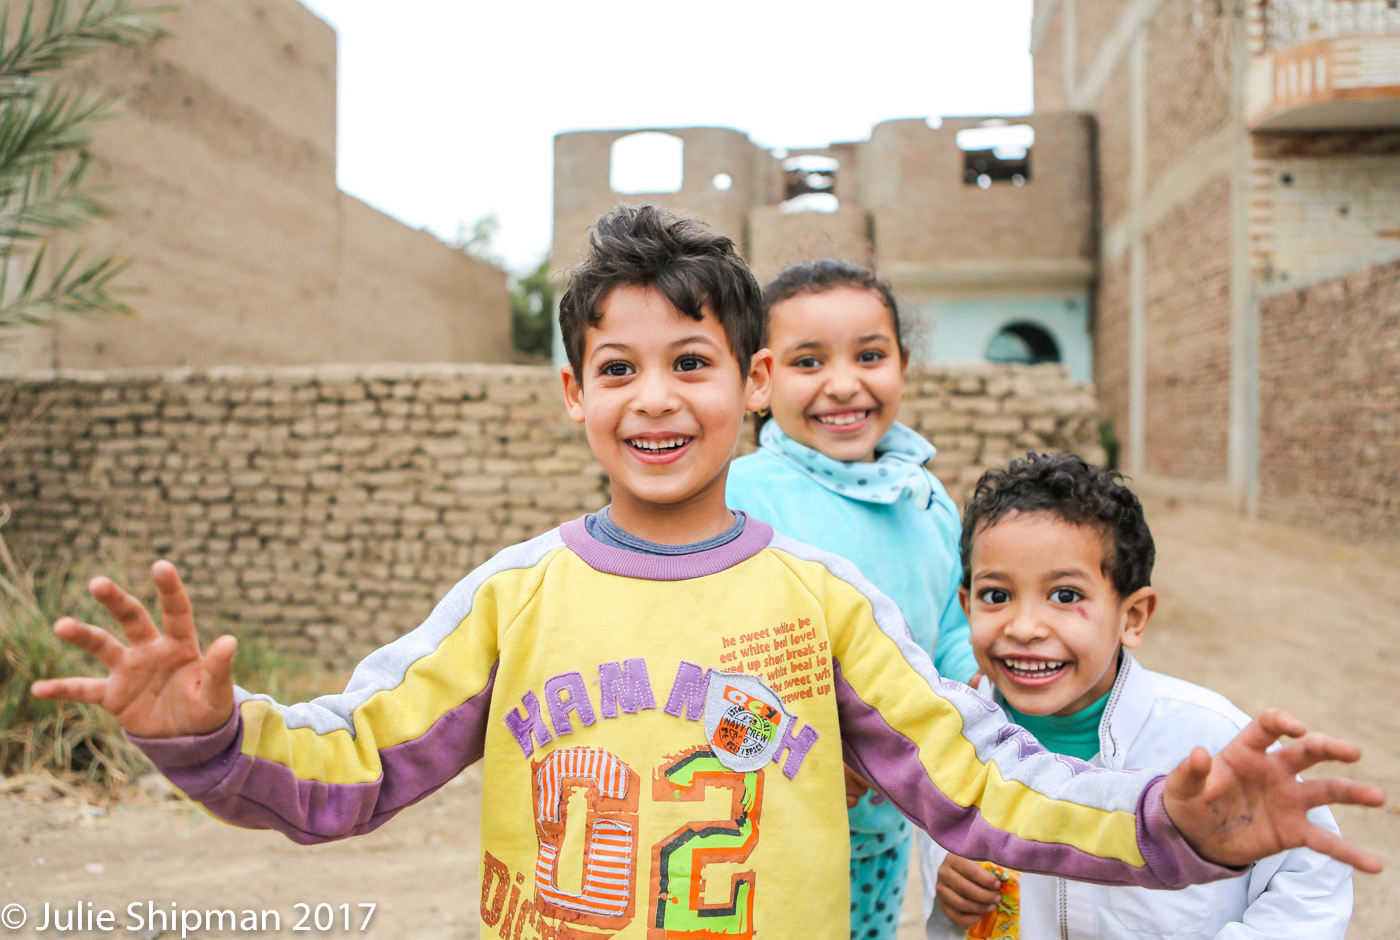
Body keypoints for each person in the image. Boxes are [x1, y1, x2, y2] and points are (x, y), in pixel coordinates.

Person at [31, 205, 1385, 940]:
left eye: (691, 363)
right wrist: (207, 734)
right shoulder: (514, 597)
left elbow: (979, 788)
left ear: (748, 385)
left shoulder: (824, 601)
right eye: (618, 367)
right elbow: (355, 763)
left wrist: (1171, 824)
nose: (656, 399)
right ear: (571, 391)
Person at [920, 452, 1354, 939]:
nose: (1023, 628)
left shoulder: (1211, 743)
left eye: (1065, 595)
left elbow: (1310, 879)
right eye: (996, 596)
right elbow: (940, 851)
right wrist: (945, 885)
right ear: (966, 604)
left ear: (1133, 617)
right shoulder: (955, 740)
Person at [726, 259, 976, 940]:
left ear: (902, 366)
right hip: (762, 822)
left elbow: (948, 628)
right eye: (809, 361)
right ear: (759, 381)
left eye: (870, 355)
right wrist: (790, 746)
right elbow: (701, 648)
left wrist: (980, 693)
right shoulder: (743, 497)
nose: (844, 383)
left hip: (889, 818)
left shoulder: (924, 497)